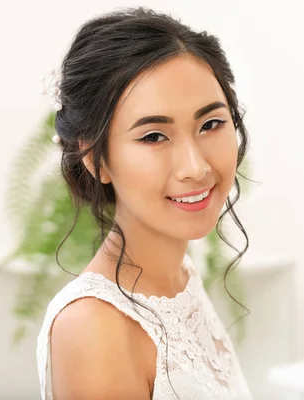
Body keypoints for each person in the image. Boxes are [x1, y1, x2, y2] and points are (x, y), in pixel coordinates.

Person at [36, 7, 251, 399]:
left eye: (210, 124)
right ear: (94, 158)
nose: (195, 167)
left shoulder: (179, 279)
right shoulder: (95, 327)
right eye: (154, 136)